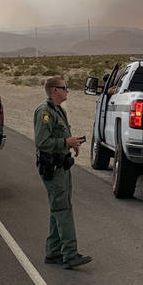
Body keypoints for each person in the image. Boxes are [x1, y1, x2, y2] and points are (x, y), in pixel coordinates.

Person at [33, 76, 92, 269]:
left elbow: (60, 136)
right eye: (64, 88)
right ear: (55, 90)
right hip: (53, 167)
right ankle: (69, 254)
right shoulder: (45, 112)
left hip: (62, 166)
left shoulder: (58, 111)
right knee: (63, 209)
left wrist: (71, 142)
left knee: (57, 208)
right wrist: (65, 143)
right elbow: (42, 142)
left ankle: (54, 252)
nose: (67, 90)